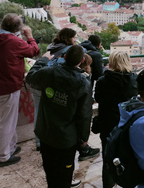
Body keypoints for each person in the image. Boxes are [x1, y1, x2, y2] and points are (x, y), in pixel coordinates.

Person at [26, 45, 98, 188]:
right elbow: (84, 115)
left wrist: (43, 59)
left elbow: (30, 77)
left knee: (50, 172)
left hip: (45, 133)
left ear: (64, 57)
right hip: (66, 139)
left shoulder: (49, 72)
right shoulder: (83, 82)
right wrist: (84, 139)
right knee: (64, 176)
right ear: (82, 60)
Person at [0, 14, 40, 168]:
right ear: (17, 29)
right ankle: (2, 156)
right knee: (6, 122)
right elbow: (34, 51)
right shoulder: (14, 42)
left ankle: (10, 147)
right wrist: (29, 36)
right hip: (8, 86)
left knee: (7, 120)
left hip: (1, 85)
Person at [29, 27, 77, 151]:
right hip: (49, 84)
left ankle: (39, 142)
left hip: (37, 81)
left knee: (38, 112)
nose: (75, 40)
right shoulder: (68, 50)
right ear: (69, 38)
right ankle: (50, 139)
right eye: (74, 37)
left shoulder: (51, 46)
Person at [95, 51, 138, 188]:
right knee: (128, 159)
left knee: (108, 161)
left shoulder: (103, 81)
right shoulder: (135, 81)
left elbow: (97, 98)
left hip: (108, 126)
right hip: (128, 128)